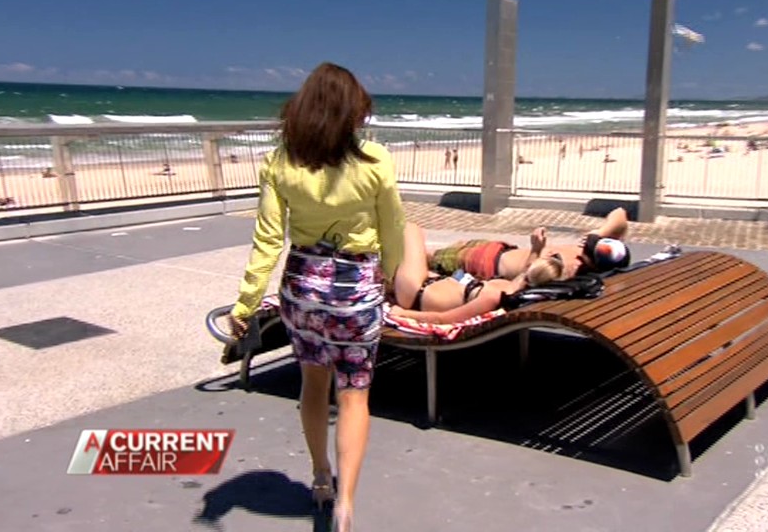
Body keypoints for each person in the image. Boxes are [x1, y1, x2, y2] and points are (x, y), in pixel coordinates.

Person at [227, 62, 405, 532]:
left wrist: (246, 304)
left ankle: (321, 477)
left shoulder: (280, 161)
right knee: (354, 396)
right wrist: (390, 277)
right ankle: (345, 505)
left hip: (303, 288)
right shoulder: (375, 160)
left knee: (312, 384)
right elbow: (393, 227)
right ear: (351, 112)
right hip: (355, 290)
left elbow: (268, 240)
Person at [389, 222, 564, 325]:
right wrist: (536, 248)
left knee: (410, 229)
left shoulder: (494, 296)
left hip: (416, 292)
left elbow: (444, 319)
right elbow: (528, 270)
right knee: (399, 253)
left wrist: (404, 314)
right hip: (426, 282)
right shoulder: (512, 287)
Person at [428, 206, 631, 281]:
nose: (583, 248)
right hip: (496, 249)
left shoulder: (570, 269)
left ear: (594, 264)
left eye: (588, 249)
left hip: (484, 263)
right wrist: (599, 233)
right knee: (442, 250)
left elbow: (527, 280)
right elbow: (620, 214)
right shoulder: (592, 256)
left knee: (425, 256)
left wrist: (536, 250)